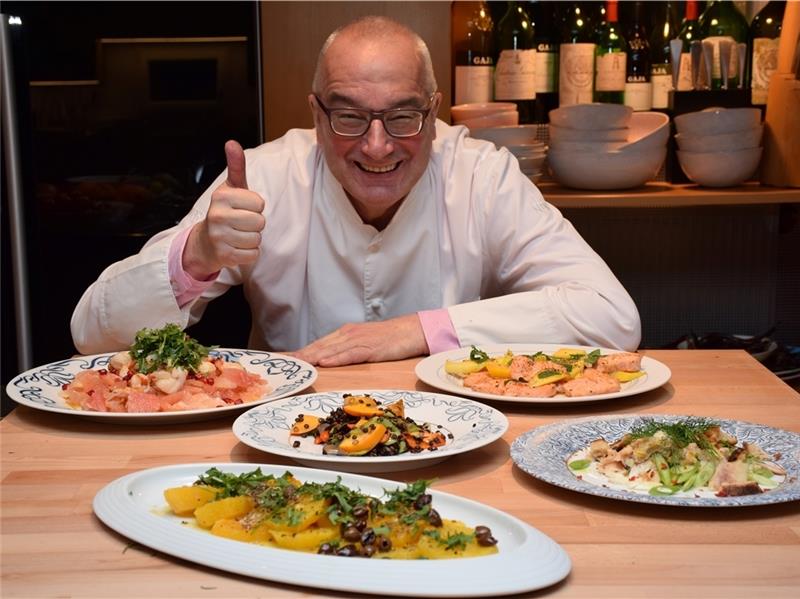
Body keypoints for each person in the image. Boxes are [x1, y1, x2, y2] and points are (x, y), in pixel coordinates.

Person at [71, 16, 641, 366]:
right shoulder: (263, 177)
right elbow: (92, 334)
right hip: (288, 444)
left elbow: (611, 317)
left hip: (460, 434)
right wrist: (195, 258)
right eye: (348, 116)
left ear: (433, 110)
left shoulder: (482, 176)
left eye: (402, 116)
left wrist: (417, 331)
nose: (376, 146)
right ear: (315, 114)